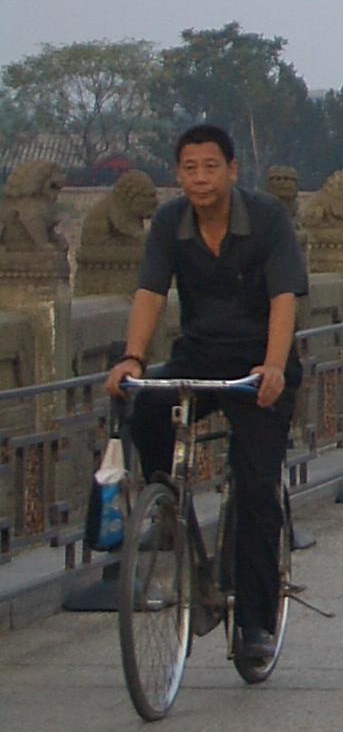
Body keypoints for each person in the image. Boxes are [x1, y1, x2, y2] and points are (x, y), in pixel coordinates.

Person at [105, 124, 308, 663]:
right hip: (199, 354)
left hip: (259, 366)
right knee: (145, 402)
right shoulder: (171, 223)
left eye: (210, 167)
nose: (200, 178)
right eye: (190, 168)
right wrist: (132, 357)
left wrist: (273, 365)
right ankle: (166, 502)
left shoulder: (265, 217)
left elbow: (285, 297)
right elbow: (150, 291)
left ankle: (257, 624)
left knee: (257, 487)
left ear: (232, 170)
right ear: (178, 174)